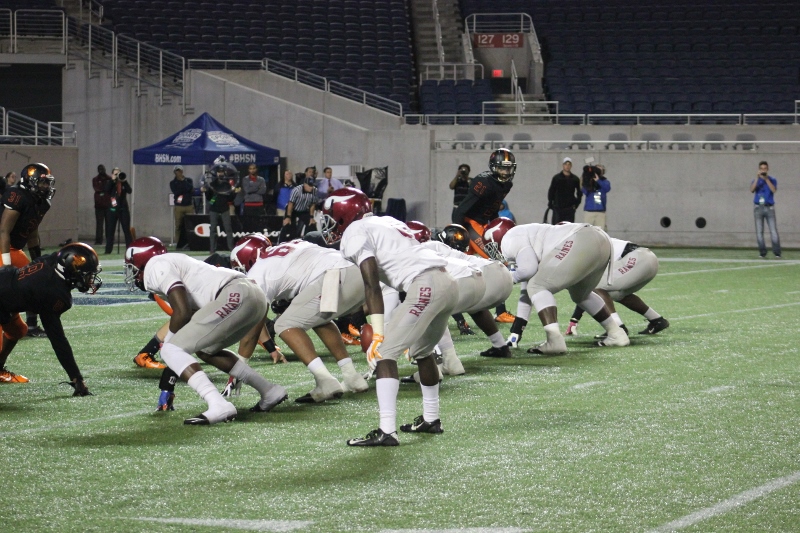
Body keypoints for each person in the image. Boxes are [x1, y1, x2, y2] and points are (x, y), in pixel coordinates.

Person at [321, 187, 459, 446]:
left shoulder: (354, 231)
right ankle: (431, 419)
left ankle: (387, 431)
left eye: (331, 217)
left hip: (425, 284)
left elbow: (371, 284)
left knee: (384, 353)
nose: (328, 224)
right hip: (447, 282)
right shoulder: (385, 221)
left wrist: (378, 332)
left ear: (343, 214)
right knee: (422, 351)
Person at [124, 236, 289, 425]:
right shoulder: (173, 264)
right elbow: (190, 321)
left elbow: (182, 312)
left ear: (141, 261)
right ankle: (269, 390)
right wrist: (168, 383)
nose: (131, 272)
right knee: (205, 350)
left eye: (131, 267)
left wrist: (169, 346)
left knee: (171, 348)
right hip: (254, 297)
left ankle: (218, 404)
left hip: (235, 293)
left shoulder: (155, 265)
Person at [231, 235, 370, 402]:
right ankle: (352, 377)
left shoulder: (258, 272)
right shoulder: (290, 246)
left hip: (335, 276)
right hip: (360, 272)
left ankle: (325, 382)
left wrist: (238, 369)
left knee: (284, 324)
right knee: (319, 319)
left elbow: (252, 331)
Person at [482, 218, 629, 355]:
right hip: (601, 240)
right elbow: (527, 290)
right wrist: (516, 332)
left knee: (538, 286)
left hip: (581, 238)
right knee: (580, 294)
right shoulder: (527, 237)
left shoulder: (510, 238)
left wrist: (507, 279)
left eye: (490, 246)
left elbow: (528, 271)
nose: (492, 252)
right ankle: (616, 334)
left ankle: (554, 341)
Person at [0, 242, 101, 392]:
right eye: (87, 275)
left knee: (18, 330)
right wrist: (76, 377)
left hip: (5, 287)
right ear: (71, 270)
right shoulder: (53, 292)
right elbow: (57, 339)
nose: (90, 280)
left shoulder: (53, 261)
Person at [451, 148, 516, 324]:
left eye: (508, 168)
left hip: (482, 224)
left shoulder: (506, 184)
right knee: (499, 263)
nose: (505, 172)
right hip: (469, 224)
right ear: (494, 167)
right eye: (502, 168)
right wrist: (459, 232)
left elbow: (493, 207)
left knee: (460, 270)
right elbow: (461, 209)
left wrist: (495, 227)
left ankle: (456, 311)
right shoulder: (483, 182)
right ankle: (500, 312)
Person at [564, 237, 670, 338]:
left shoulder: (581, 249)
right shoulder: (583, 242)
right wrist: (574, 319)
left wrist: (574, 319)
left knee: (595, 285)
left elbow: (587, 289)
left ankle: (618, 328)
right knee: (614, 294)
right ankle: (657, 320)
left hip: (637, 258)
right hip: (645, 259)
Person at [0, 163, 56, 339]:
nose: (46, 186)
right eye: (42, 182)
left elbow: (32, 232)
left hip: (13, 248)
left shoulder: (41, 202)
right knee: (5, 287)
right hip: (2, 245)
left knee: (35, 281)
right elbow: (3, 231)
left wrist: (37, 262)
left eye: (47, 182)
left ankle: (31, 326)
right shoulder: (17, 196)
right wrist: (6, 266)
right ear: (30, 181)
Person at [203, 159, 238, 253]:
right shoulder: (212, 184)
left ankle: (231, 248)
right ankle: (212, 249)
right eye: (219, 172)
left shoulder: (227, 185)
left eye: (222, 172)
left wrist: (234, 193)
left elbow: (230, 199)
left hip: (224, 208)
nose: (220, 173)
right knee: (213, 229)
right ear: (216, 173)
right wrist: (206, 191)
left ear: (224, 173)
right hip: (214, 208)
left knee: (228, 229)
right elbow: (209, 198)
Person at [750, 160, 781, 259]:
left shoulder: (772, 179)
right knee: (759, 232)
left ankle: (777, 253)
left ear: (767, 169)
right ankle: (762, 252)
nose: (763, 170)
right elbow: (752, 190)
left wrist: (766, 179)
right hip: (758, 208)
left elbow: (773, 190)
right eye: (761, 169)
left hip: (769, 208)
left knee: (773, 231)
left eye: (765, 169)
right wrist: (757, 178)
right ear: (759, 169)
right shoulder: (755, 180)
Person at [104, 167, 133, 254]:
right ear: (112, 175)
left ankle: (129, 250)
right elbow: (106, 190)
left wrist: (124, 181)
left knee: (126, 230)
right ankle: (108, 250)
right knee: (110, 230)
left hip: (123, 209)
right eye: (115, 174)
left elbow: (129, 190)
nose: (117, 176)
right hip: (112, 209)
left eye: (118, 174)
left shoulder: (123, 183)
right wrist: (112, 181)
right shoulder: (110, 183)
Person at [547, 157, 582, 224]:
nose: (567, 166)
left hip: (569, 208)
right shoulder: (556, 178)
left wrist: (576, 204)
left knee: (568, 227)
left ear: (571, 166)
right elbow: (551, 191)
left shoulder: (575, 179)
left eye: (569, 164)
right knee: (556, 227)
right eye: (566, 164)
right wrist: (551, 202)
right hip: (558, 207)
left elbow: (579, 193)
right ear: (563, 165)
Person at [170, 165, 195, 250]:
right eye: (177, 171)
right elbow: (176, 192)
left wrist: (183, 181)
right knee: (178, 226)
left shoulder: (188, 180)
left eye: (180, 171)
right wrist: (185, 189)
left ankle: (191, 243)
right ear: (174, 172)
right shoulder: (173, 183)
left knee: (190, 225)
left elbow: (191, 189)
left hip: (189, 205)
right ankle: (178, 243)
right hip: (179, 206)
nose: (179, 173)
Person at [581, 163, 610, 230]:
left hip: (600, 211)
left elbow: (607, 188)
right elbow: (584, 191)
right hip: (589, 211)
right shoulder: (589, 180)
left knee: (600, 231)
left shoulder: (605, 181)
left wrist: (598, 180)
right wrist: (587, 177)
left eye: (600, 170)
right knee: (587, 231)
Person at [92, 165, 112, 245]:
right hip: (99, 205)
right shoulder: (95, 179)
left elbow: (111, 189)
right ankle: (98, 240)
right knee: (99, 224)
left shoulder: (109, 179)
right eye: (99, 169)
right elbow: (97, 189)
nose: (101, 171)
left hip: (108, 205)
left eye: (102, 169)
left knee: (109, 224)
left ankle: (109, 239)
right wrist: (105, 190)